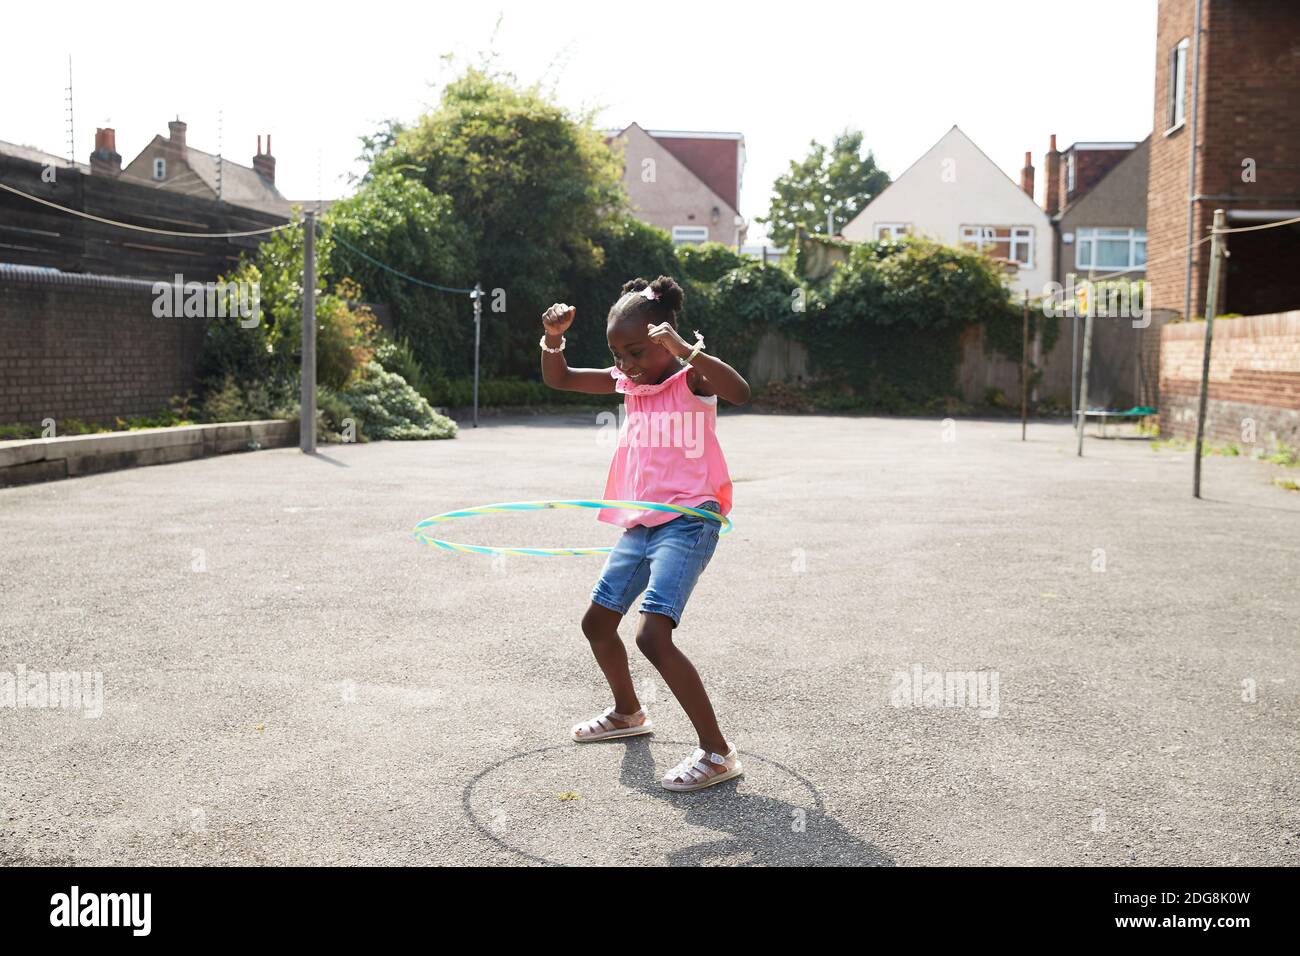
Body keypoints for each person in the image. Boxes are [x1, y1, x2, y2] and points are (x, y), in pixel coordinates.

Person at [539, 275, 750, 792]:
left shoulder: (690, 381)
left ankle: (718, 752)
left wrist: (686, 352)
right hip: (641, 522)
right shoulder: (630, 384)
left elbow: (740, 391)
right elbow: (560, 379)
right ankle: (628, 712)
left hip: (688, 520)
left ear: (662, 338)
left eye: (636, 351)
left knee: (653, 635)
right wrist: (553, 339)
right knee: (597, 622)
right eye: (617, 353)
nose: (626, 364)